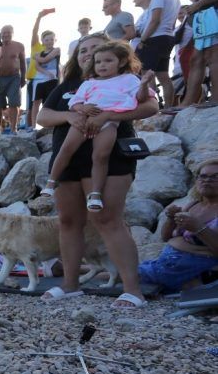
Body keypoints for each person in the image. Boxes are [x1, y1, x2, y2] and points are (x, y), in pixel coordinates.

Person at [36, 32, 159, 309]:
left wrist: (110, 116)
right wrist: (69, 115)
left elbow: (151, 106)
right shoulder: (67, 85)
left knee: (108, 220)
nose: (88, 55)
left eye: (94, 50)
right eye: (83, 51)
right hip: (69, 159)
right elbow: (42, 117)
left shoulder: (126, 81)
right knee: (68, 221)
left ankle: (132, 291)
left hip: (110, 155)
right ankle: (70, 285)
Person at [42, 41, 151, 211]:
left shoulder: (129, 80)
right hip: (83, 122)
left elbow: (144, 100)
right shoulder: (87, 83)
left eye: (108, 61)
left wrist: (144, 84)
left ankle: (95, 194)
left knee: (101, 156)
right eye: (98, 61)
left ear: (121, 62)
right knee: (66, 149)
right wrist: (79, 110)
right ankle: (51, 182)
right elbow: (74, 104)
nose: (102, 65)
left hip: (109, 126)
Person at [139, 161, 218, 293]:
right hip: (166, 265)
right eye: (203, 176)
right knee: (121, 271)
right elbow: (166, 237)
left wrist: (199, 228)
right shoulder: (194, 205)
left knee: (125, 274)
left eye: (215, 176)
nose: (207, 180)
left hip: (189, 270)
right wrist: (171, 219)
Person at [136, 0, 181, 107]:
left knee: (146, 75)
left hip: (154, 38)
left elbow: (155, 20)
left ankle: (150, 106)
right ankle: (168, 107)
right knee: (163, 75)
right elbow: (173, 22)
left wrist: (143, 40)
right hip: (167, 37)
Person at [183, 0, 218, 106]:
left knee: (213, 55)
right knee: (197, 58)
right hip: (207, 14)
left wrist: (200, 3)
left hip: (212, 12)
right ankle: (188, 101)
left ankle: (216, 98)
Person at [28, 8, 60, 133]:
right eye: (47, 40)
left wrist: (36, 57)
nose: (49, 41)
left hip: (52, 79)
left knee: (49, 102)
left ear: (55, 40)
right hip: (38, 79)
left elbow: (46, 59)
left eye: (52, 39)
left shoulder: (56, 49)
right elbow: (37, 66)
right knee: (35, 102)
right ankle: (34, 126)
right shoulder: (38, 49)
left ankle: (50, 126)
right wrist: (45, 70)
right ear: (43, 41)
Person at [0, 25, 26, 132]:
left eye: (8, 32)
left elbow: (23, 63)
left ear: (12, 33)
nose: (5, 35)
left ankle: (14, 128)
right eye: (3, 33)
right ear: (0, 34)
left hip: (14, 77)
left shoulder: (19, 46)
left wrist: (23, 78)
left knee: (14, 103)